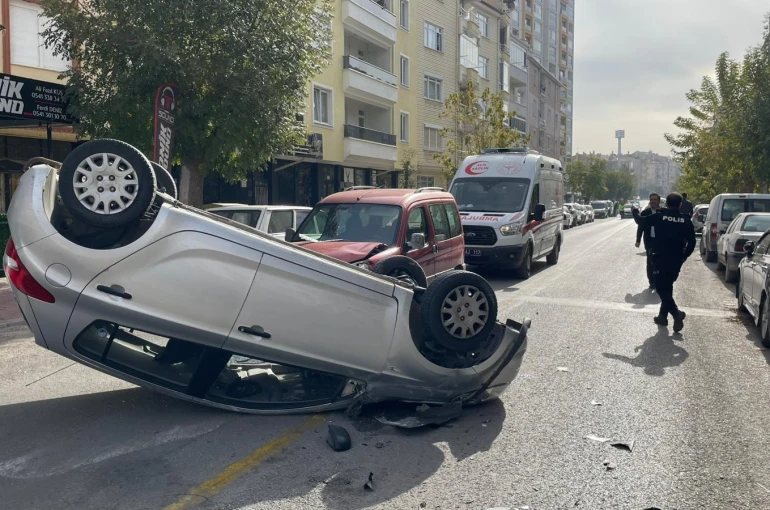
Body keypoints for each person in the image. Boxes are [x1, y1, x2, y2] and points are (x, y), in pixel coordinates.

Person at [632, 192, 696, 332]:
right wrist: (684, 257)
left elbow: (640, 221)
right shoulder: (685, 220)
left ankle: (676, 313)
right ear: (680, 204)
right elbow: (692, 243)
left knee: (661, 288)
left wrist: (635, 210)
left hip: (660, 258)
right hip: (676, 260)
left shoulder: (659, 217)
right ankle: (662, 316)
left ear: (666, 203)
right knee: (668, 286)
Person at [635, 193, 662, 289]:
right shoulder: (645, 213)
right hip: (649, 240)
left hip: (662, 241)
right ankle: (652, 281)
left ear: (659, 201)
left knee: (661, 261)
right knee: (650, 261)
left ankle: (660, 280)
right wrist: (638, 240)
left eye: (655, 199)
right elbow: (640, 227)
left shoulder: (664, 212)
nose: (653, 201)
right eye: (651, 200)